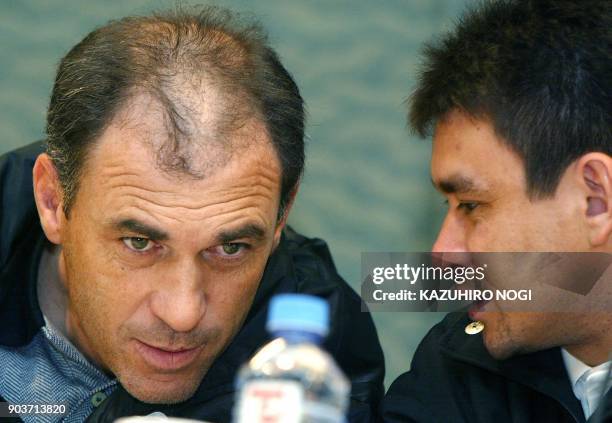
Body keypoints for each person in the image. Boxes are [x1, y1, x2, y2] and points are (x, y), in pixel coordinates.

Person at [0, 6, 384, 422]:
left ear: (280, 216)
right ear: (53, 200)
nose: (183, 313)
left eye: (231, 248)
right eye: (140, 243)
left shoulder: (312, 350)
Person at [381, 0, 612, 422]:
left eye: (471, 206)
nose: (442, 254)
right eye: (447, 207)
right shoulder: (460, 364)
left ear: (595, 200)